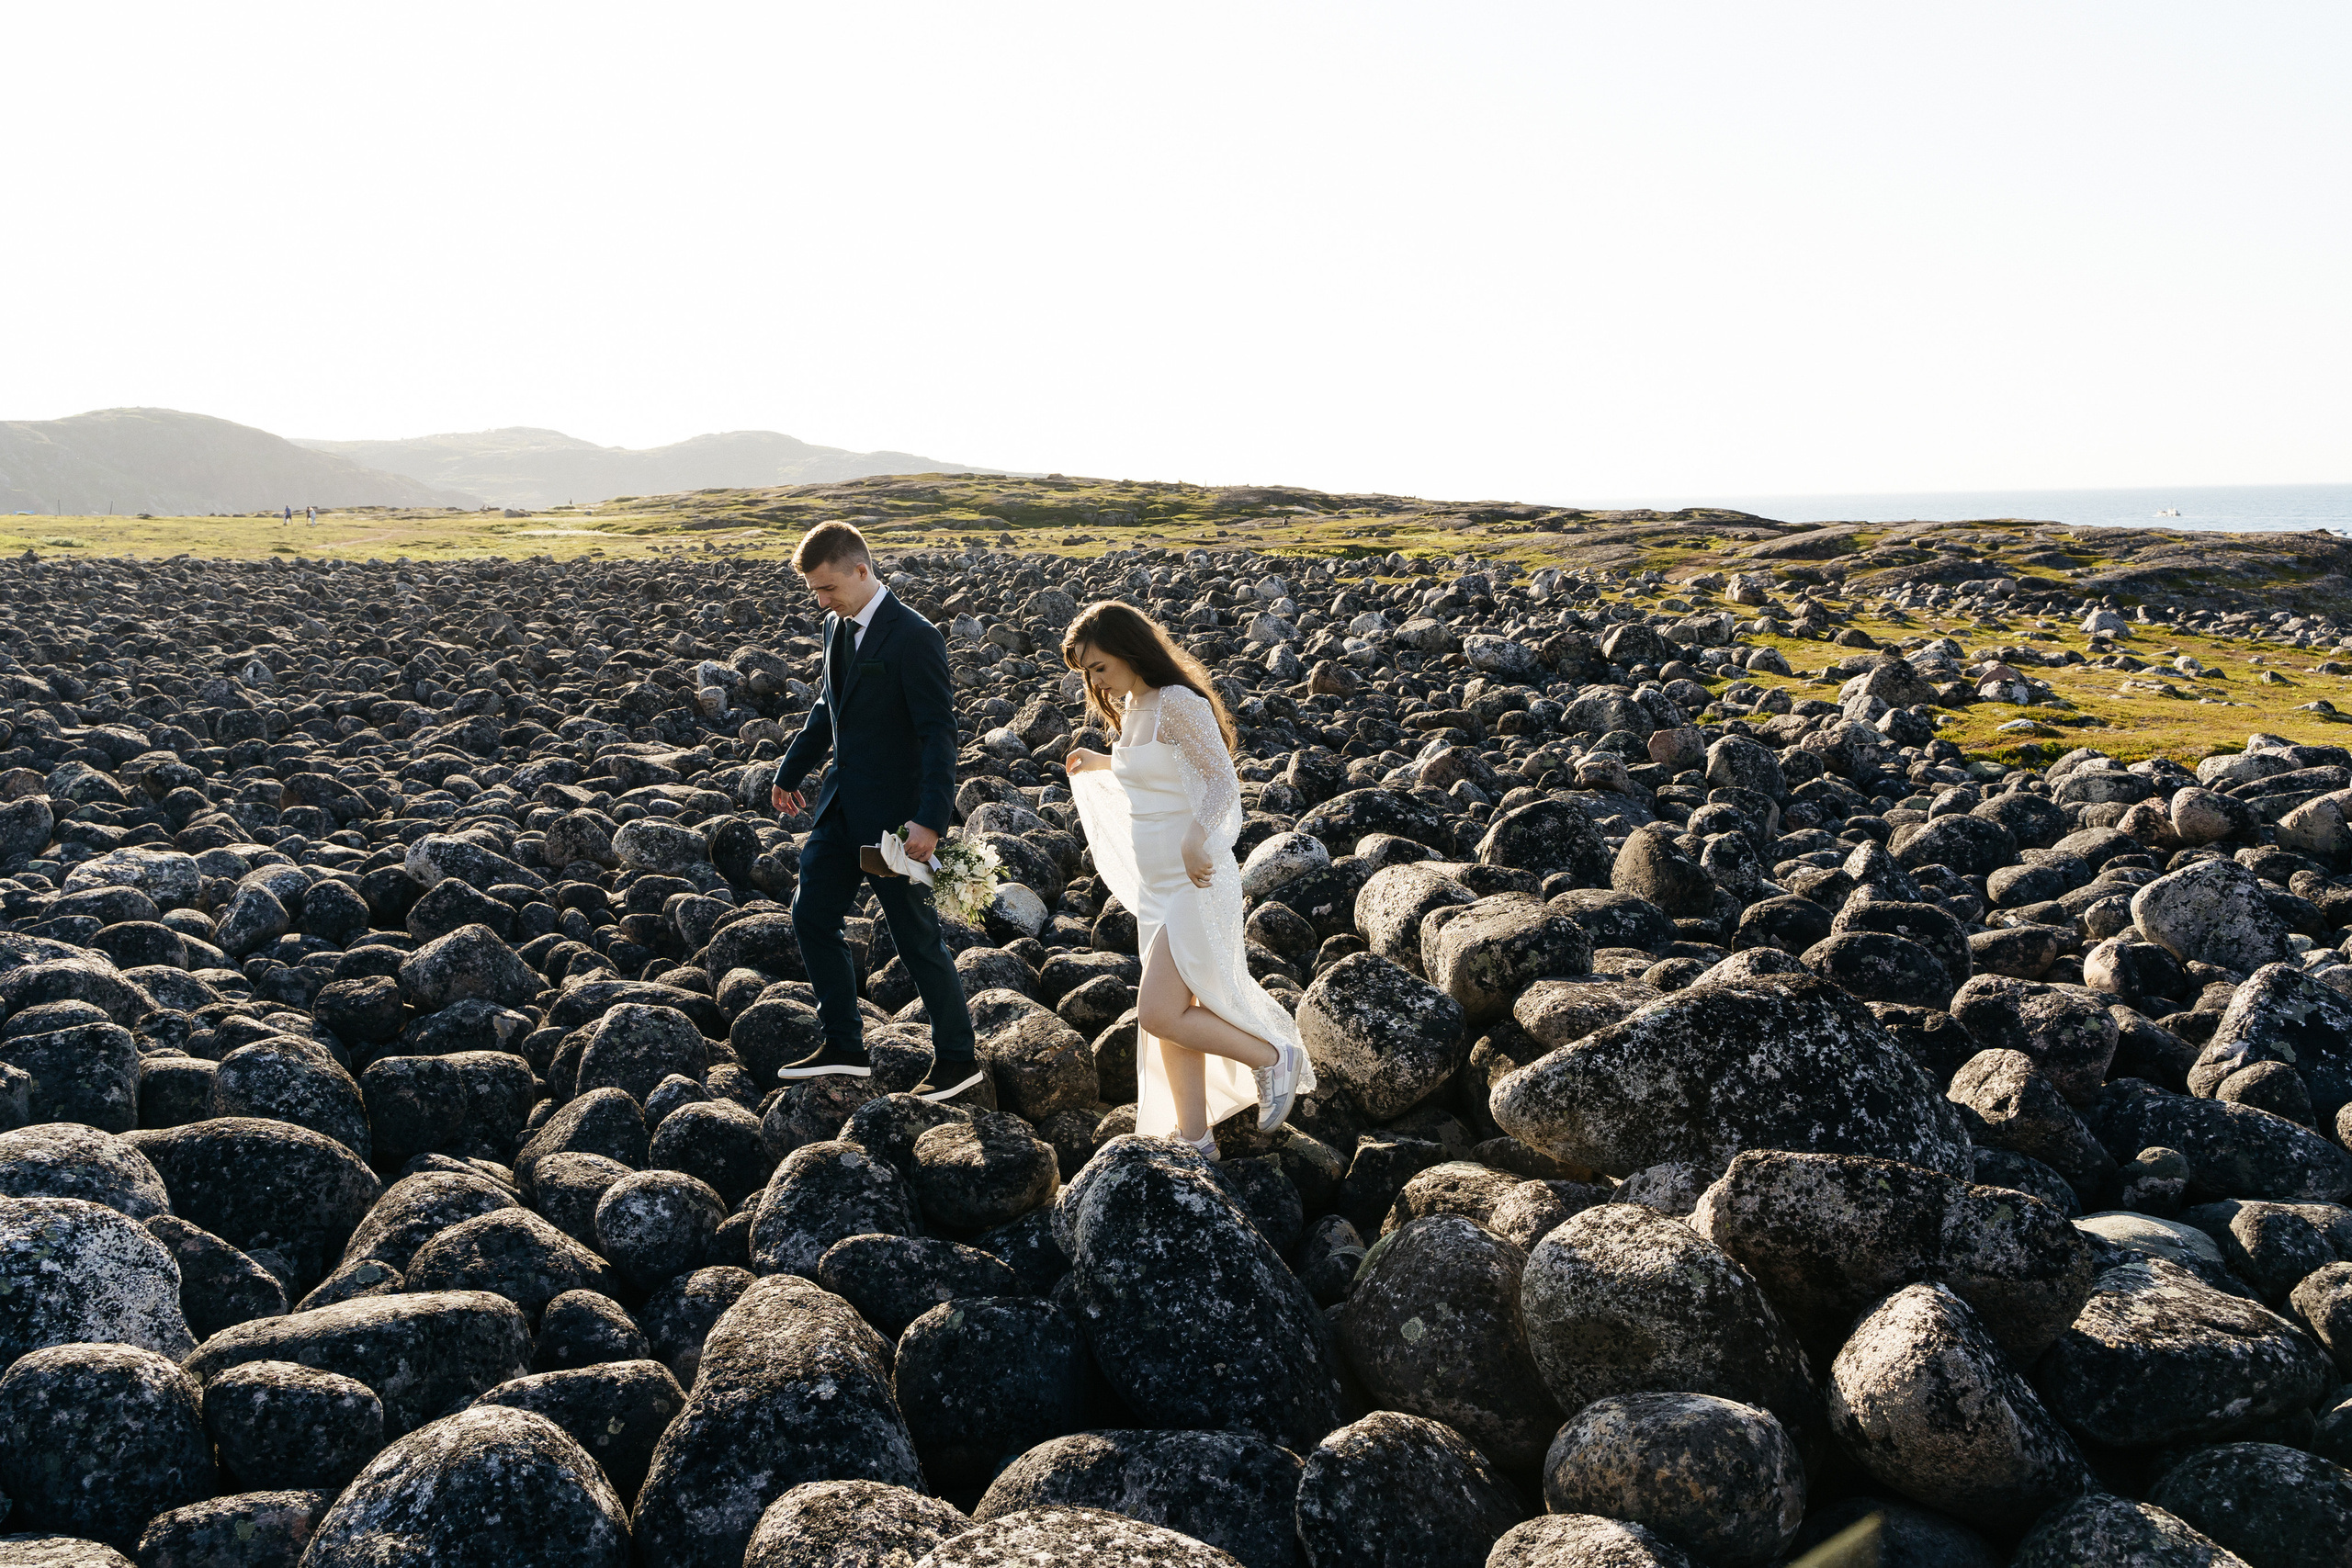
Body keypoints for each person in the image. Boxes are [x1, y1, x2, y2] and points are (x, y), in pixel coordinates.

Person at [1060, 601, 1311, 1157]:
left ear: (1129, 650)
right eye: (1087, 672)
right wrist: (1099, 761)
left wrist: (1199, 837)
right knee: (1169, 1020)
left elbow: (1223, 782)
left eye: (1098, 666)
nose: (1094, 680)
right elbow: (1152, 773)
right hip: (1157, 888)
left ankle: (1272, 1057)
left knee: (1158, 1011)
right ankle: (1196, 1139)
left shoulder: (1177, 702)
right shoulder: (1136, 706)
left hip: (1194, 880)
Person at [769, 522, 986, 1105]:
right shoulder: (835, 628)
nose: (821, 600)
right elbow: (828, 708)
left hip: (895, 820)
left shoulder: (914, 636)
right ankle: (843, 1042)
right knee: (811, 914)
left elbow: (940, 733)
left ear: (861, 571)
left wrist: (932, 820)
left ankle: (958, 1059)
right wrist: (791, 770)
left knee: (916, 939)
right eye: (814, 590)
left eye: (827, 587)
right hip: (839, 806)